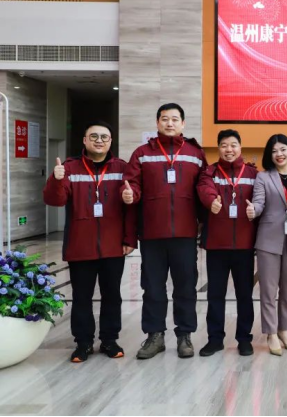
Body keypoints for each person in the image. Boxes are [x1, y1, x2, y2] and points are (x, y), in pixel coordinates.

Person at [44, 121, 137, 363]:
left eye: (104, 137)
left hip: (113, 245)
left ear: (110, 141)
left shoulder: (122, 167)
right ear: (84, 141)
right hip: (80, 245)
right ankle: (83, 343)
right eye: (93, 136)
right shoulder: (69, 167)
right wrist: (56, 180)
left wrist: (129, 238)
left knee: (112, 295)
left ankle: (109, 340)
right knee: (81, 297)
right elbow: (55, 200)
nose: (99, 140)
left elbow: (131, 208)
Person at [121, 103, 208, 360]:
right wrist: (129, 194)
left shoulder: (195, 153)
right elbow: (132, 183)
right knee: (153, 288)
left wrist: (205, 223)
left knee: (186, 288)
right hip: (152, 234)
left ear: (183, 123)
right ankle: (155, 336)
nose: (170, 123)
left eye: (174, 119)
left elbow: (204, 187)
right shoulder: (142, 153)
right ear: (157, 123)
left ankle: (185, 336)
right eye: (165, 119)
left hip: (184, 233)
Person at [196, 130, 259, 357]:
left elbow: (261, 198)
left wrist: (256, 209)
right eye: (224, 145)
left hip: (244, 245)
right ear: (218, 148)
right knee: (215, 294)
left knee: (244, 295)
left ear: (240, 147)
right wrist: (211, 201)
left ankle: (244, 339)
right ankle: (215, 339)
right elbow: (204, 189)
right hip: (217, 245)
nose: (229, 149)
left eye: (233, 145)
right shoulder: (210, 172)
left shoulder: (253, 173)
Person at [252, 134, 287, 357]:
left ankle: (283, 330)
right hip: (268, 239)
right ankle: (271, 333)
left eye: (283, 149)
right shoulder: (263, 177)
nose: (279, 154)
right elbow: (259, 203)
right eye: (274, 150)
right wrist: (253, 210)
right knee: (268, 290)